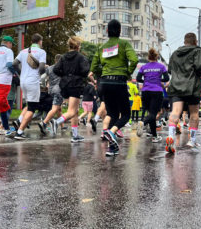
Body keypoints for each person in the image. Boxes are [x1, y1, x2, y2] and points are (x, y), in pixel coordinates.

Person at [90, 19, 138, 156]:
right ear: (120, 31)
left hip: (104, 83)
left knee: (112, 114)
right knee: (126, 114)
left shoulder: (101, 47)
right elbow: (134, 60)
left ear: (107, 31)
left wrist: (102, 73)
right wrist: (127, 72)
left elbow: (93, 67)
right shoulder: (124, 44)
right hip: (119, 82)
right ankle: (111, 132)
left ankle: (112, 148)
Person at [166, 33, 201, 153]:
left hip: (176, 86)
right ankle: (191, 140)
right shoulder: (197, 51)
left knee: (175, 112)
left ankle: (171, 137)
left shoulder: (175, 53)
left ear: (184, 42)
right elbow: (200, 68)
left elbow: (169, 70)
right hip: (192, 87)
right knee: (193, 113)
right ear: (195, 41)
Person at [52, 36, 90, 143]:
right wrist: (79, 75)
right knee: (72, 111)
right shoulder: (80, 57)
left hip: (65, 85)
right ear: (78, 46)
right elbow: (85, 71)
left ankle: (75, 135)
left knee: (75, 111)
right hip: (75, 85)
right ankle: (57, 122)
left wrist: (64, 75)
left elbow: (55, 69)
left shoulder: (63, 57)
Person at [12, 33, 46, 140]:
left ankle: (20, 122)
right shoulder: (41, 52)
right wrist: (39, 73)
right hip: (33, 82)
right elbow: (41, 68)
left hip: (23, 81)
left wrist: (21, 73)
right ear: (40, 41)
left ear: (32, 41)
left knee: (28, 105)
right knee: (32, 108)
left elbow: (14, 64)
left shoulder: (23, 51)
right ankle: (20, 131)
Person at [136, 48, 169, 143]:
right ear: (157, 56)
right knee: (153, 114)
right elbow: (166, 78)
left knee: (151, 114)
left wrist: (146, 81)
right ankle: (143, 123)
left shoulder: (143, 67)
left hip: (145, 91)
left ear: (148, 57)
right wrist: (159, 81)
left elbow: (138, 78)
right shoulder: (161, 66)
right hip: (157, 91)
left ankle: (154, 136)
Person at [38, 54, 65, 135]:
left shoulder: (49, 68)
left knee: (58, 108)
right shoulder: (62, 69)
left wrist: (43, 86)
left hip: (50, 90)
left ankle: (62, 126)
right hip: (58, 90)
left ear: (55, 59)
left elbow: (42, 77)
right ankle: (44, 123)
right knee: (55, 108)